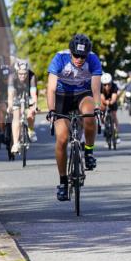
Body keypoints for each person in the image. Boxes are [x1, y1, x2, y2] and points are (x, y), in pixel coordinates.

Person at [46, 34, 103, 201]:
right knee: (62, 138)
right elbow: (50, 88)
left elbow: (95, 88)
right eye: (76, 55)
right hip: (62, 96)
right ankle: (63, 182)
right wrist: (51, 110)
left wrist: (98, 106)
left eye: (82, 56)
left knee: (89, 114)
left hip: (82, 94)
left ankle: (89, 152)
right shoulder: (60, 58)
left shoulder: (93, 59)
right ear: (71, 52)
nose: (79, 59)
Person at [9, 60, 38, 153]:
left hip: (28, 94)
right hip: (16, 95)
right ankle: (15, 143)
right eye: (20, 73)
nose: (22, 76)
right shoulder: (12, 77)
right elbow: (10, 94)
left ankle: (31, 130)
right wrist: (10, 105)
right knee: (16, 117)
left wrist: (35, 106)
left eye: (25, 73)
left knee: (30, 113)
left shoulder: (32, 76)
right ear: (17, 72)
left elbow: (34, 94)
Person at [99, 73, 120, 141]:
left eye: (109, 84)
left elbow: (114, 97)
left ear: (111, 83)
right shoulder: (100, 87)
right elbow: (102, 97)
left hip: (111, 100)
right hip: (104, 100)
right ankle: (105, 124)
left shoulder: (114, 86)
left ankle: (116, 133)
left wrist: (110, 102)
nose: (107, 86)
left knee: (114, 115)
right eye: (105, 85)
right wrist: (105, 102)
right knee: (101, 109)